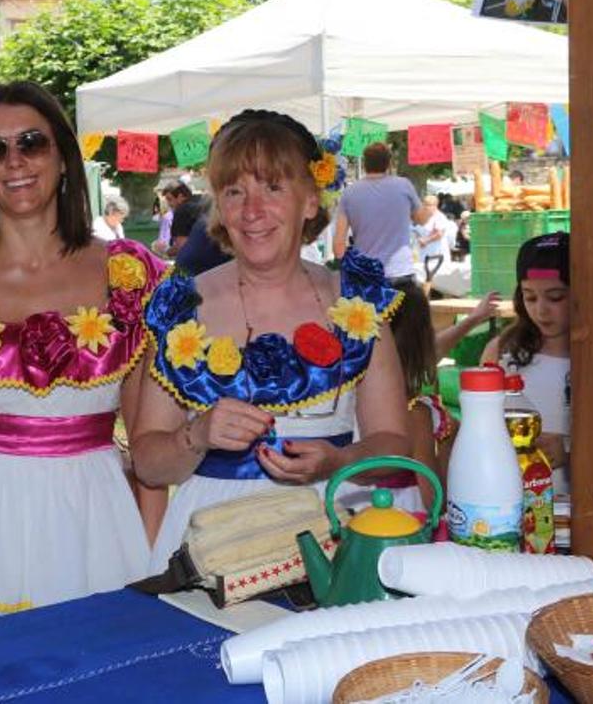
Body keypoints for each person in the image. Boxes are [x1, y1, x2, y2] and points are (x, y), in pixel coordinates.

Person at [0, 81, 165, 633]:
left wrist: (153, 558)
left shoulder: (130, 276)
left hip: (93, 523)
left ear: (64, 156)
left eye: (31, 143)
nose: (13, 161)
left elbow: (146, 439)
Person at [131, 110, 412, 568]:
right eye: (235, 191)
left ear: (310, 201)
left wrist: (339, 461)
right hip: (211, 547)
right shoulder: (181, 307)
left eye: (273, 188)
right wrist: (197, 435)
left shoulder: (356, 305)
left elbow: (395, 447)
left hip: (333, 536)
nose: (252, 211)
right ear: (219, 207)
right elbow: (148, 462)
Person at [332, 142, 437, 401]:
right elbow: (423, 219)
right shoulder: (403, 186)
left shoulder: (350, 193)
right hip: (403, 281)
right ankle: (409, 403)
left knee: (369, 357)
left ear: (365, 163)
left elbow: (338, 247)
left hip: (367, 286)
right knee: (410, 356)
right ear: (389, 162)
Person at [481, 232, 571, 495]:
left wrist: (568, 449)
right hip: (513, 495)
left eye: (555, 297)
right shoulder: (502, 351)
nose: (541, 310)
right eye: (530, 297)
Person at [415, 196, 452, 294]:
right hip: (424, 253)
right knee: (423, 277)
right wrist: (419, 238)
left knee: (436, 280)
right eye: (424, 204)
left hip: (436, 253)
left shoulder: (440, 217)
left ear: (435, 206)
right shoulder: (424, 217)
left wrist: (426, 240)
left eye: (428, 205)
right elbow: (417, 230)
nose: (425, 207)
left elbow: (439, 234)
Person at [163, 181, 200, 257]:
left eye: (170, 199)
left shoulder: (182, 211)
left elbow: (183, 247)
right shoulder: (202, 202)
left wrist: (165, 253)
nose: (169, 204)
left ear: (180, 197)